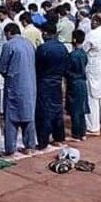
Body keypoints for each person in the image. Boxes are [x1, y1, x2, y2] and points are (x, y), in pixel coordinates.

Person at [0, 23, 37, 156]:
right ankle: (30, 145)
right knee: (28, 115)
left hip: (14, 84)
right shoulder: (29, 44)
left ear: (9, 33)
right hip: (30, 84)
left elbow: (2, 67)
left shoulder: (9, 45)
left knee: (11, 117)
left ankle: (10, 148)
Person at [34, 22, 68, 150]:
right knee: (57, 109)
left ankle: (43, 140)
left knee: (44, 111)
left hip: (44, 81)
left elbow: (37, 65)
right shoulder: (62, 48)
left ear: (46, 33)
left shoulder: (43, 49)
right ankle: (59, 137)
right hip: (58, 81)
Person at [65, 30, 90, 141]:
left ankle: (76, 134)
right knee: (82, 109)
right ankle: (82, 132)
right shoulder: (84, 54)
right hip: (82, 82)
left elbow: (67, 70)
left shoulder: (72, 55)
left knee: (75, 109)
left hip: (74, 82)